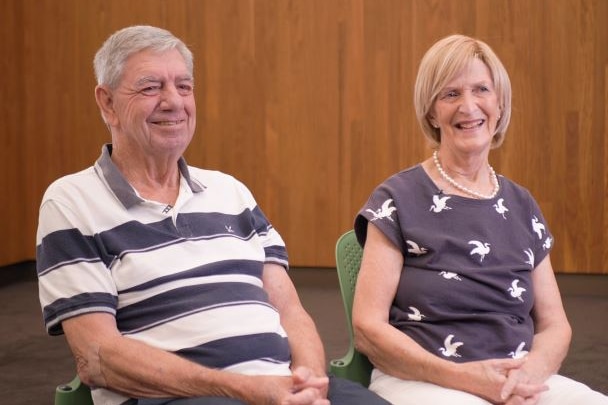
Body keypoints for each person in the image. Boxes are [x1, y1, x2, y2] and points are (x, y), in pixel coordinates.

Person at [36, 25, 389, 405]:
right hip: (182, 397)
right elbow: (97, 357)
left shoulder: (230, 192)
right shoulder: (72, 202)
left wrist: (310, 384)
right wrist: (243, 389)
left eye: (184, 87)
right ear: (107, 103)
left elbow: (290, 309)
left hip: (281, 389)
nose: (174, 101)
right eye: (151, 87)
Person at [352, 34, 608, 405]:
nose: (468, 106)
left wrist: (525, 377)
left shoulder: (522, 204)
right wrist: (468, 380)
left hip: (519, 376)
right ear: (431, 112)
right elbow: (367, 328)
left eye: (481, 90)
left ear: (500, 105)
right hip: (426, 378)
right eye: (450, 94)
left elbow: (555, 325)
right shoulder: (396, 199)